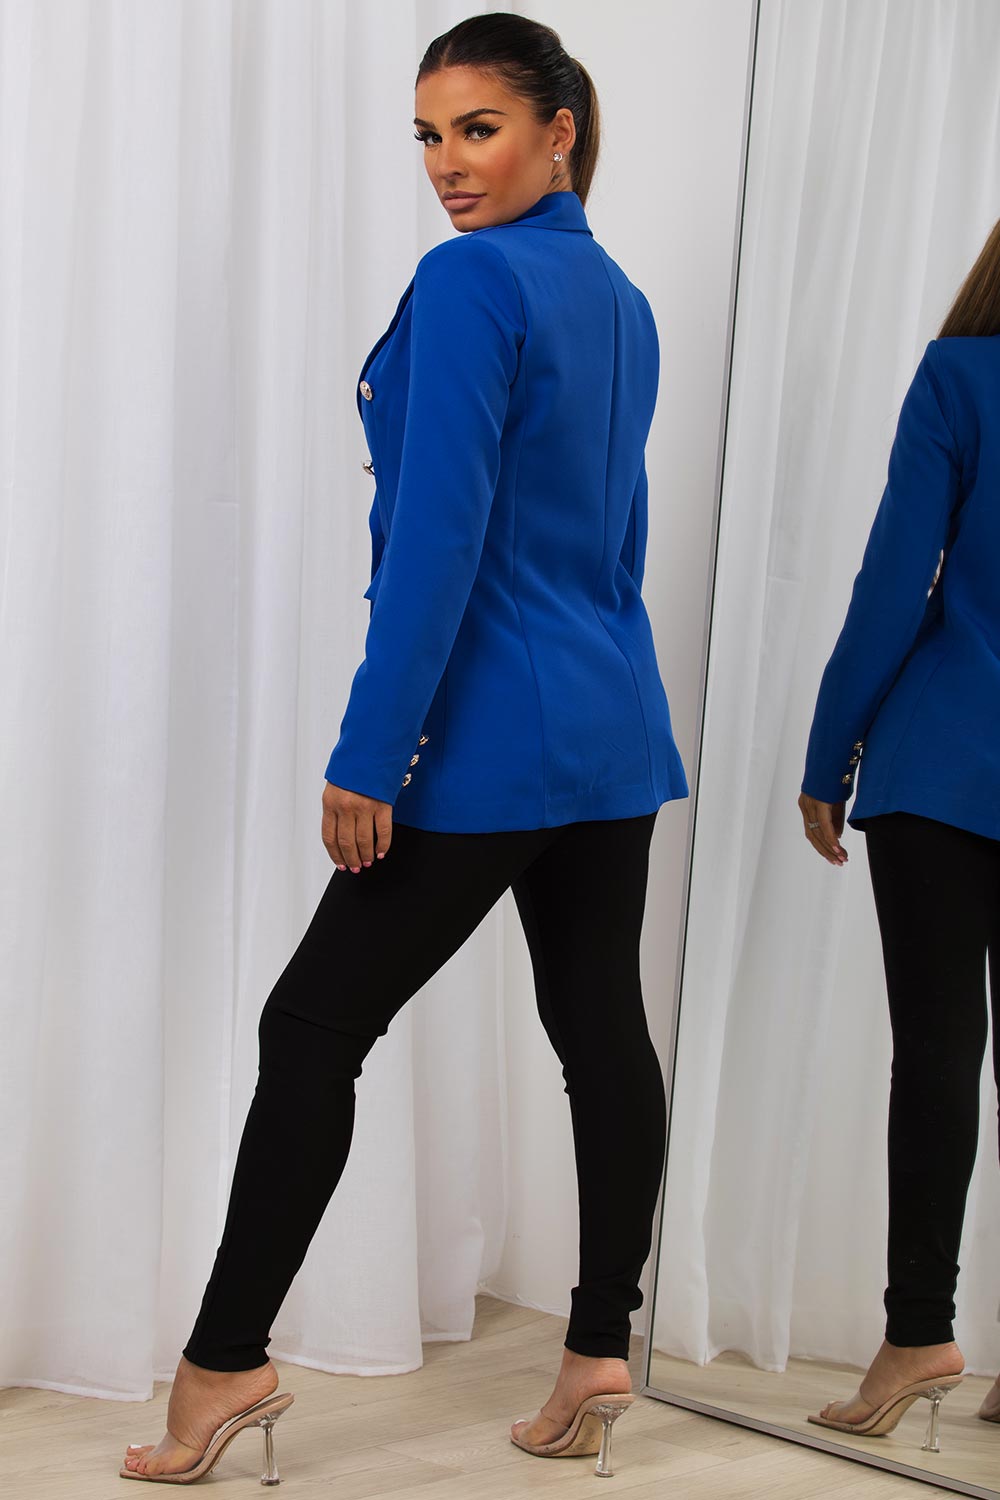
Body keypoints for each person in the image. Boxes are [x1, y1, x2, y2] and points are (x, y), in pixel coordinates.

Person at [120, 13, 687, 1485]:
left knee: (313, 1028)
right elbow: (618, 539)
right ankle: (598, 1348)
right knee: (600, 1032)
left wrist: (375, 752)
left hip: (487, 737)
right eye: (429, 135)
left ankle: (223, 1364)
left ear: (560, 130)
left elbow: (439, 539)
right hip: (612, 726)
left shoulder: (471, 277)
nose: (447, 164)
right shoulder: (619, 296)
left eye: (478, 128)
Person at [798, 215, 1000, 1451]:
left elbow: (893, 581)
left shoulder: (960, 375)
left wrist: (829, 753)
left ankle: (918, 1332)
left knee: (936, 1053)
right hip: (943, 768)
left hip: (943, 764)